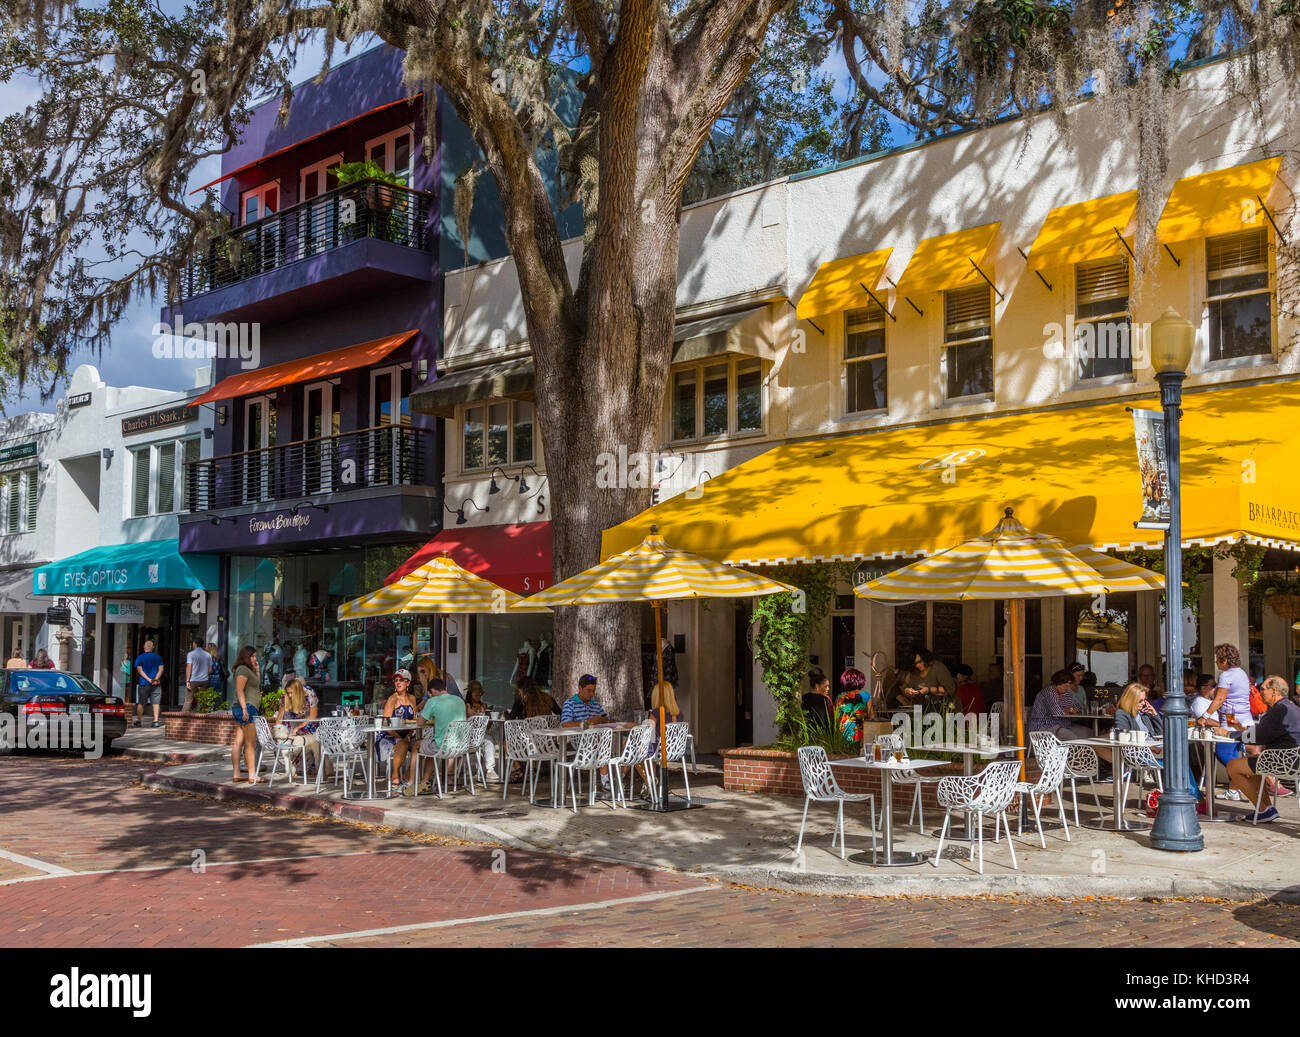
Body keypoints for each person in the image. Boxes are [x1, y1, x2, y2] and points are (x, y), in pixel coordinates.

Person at [1220, 675, 1300, 823]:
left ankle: (1262, 809)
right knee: (1251, 765)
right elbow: (1266, 732)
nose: (1259, 692)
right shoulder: (1292, 708)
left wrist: (1229, 733)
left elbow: (1258, 737)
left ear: (1274, 691)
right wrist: (1242, 728)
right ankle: (1267, 809)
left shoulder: (1278, 711)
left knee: (1232, 767)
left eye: (1262, 689)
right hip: (1293, 761)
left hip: (1280, 761)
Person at [1114, 681, 1198, 799]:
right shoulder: (1122, 714)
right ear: (1131, 700)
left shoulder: (1143, 713)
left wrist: (1154, 715)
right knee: (1178, 762)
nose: (1143, 703)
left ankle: (1190, 796)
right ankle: (1192, 798)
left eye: (1144, 700)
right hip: (1139, 754)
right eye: (1140, 700)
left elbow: (1159, 733)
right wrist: (1150, 747)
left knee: (1181, 760)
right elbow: (1125, 737)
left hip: (1155, 751)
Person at [1197, 643, 1252, 795]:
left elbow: (1219, 699)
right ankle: (1234, 791)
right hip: (1245, 719)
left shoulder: (1226, 676)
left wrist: (1204, 716)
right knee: (1233, 754)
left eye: (1217, 659)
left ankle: (1246, 777)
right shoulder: (1241, 673)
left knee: (1224, 753)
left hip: (1231, 721)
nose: (1216, 662)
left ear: (1225, 660)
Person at [418, 676, 468, 791]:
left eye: (429, 694)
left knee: (416, 746)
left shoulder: (432, 701)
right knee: (431, 744)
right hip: (460, 747)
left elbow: (419, 723)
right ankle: (425, 780)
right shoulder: (460, 700)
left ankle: (414, 783)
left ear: (432, 691)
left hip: (443, 747)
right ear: (444, 688)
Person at [376, 669, 419, 791]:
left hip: (406, 735)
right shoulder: (392, 699)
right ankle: (395, 776)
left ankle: (406, 777)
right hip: (389, 735)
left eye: (401, 680)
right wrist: (400, 737)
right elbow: (385, 724)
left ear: (408, 683)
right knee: (403, 745)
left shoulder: (412, 699)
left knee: (420, 747)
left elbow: (414, 720)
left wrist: (409, 734)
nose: (398, 683)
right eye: (396, 680)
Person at [1028, 669, 1092, 740]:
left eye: (1069, 685)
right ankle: (1067, 751)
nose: (1067, 688)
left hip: (1064, 725)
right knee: (1069, 736)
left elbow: (1079, 708)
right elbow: (1058, 713)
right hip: (1044, 726)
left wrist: (1070, 709)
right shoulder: (1049, 692)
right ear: (1058, 683)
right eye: (1065, 685)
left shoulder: (1066, 693)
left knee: (1088, 733)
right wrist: (1070, 711)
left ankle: (1082, 751)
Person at [229, 646, 262, 785]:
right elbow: (239, 690)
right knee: (250, 744)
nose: (255, 658)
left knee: (238, 742)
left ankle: (237, 774)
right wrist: (244, 709)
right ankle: (252, 775)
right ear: (246, 656)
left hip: (244, 707)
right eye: (253, 656)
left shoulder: (248, 670)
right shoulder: (242, 669)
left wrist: (257, 669)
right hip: (246, 707)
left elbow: (257, 685)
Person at [275, 676, 320, 776]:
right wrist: (276, 733)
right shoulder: (285, 698)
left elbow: (313, 716)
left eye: (292, 693)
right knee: (290, 739)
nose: (290, 695)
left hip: (307, 722)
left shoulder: (309, 694)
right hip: (292, 721)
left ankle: (312, 766)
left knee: (310, 738)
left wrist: (299, 727)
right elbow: (280, 718)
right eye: (288, 693)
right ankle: (294, 767)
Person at [463, 679, 498, 779]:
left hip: (480, 734)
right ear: (470, 694)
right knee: (488, 740)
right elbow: (467, 717)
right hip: (468, 734)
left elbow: (487, 726)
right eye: (476, 695)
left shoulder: (484, 705)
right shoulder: (466, 705)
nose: (478, 697)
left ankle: (490, 770)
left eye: (480, 695)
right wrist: (477, 713)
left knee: (489, 740)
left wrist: (488, 716)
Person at [834, 668, 872, 746]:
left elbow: (836, 716)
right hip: (861, 733)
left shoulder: (840, 696)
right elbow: (872, 716)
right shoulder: (866, 695)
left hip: (843, 733)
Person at [133, 639, 166, 728]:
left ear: (144, 648)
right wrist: (155, 679)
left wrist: (148, 679)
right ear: (152, 647)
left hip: (144, 683)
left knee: (141, 702)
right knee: (156, 703)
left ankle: (139, 721)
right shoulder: (158, 657)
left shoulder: (140, 657)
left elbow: (140, 671)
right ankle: (155, 721)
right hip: (156, 684)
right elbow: (161, 669)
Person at [183, 637, 212, 713]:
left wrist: (187, 680)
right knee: (202, 701)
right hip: (204, 680)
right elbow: (210, 669)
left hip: (193, 680)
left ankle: (183, 718)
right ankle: (203, 718)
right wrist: (204, 674)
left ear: (195, 644)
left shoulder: (191, 654)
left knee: (188, 700)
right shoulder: (208, 655)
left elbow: (189, 667)